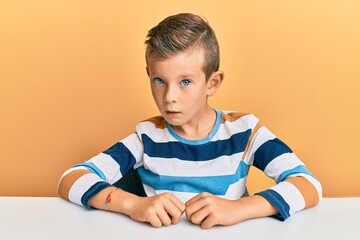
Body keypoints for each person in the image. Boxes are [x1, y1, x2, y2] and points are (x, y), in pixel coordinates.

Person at [58, 13, 322, 229]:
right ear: (148, 75)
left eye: (185, 82)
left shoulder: (245, 132)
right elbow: (70, 179)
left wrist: (240, 208)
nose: (169, 97)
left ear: (212, 82)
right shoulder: (146, 137)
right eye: (159, 80)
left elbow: (308, 184)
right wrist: (133, 205)